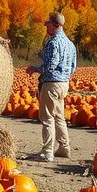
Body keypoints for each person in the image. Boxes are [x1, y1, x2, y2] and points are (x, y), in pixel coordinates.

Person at [26, 12, 77, 161]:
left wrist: (35, 69)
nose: (46, 28)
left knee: (47, 117)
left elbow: (51, 65)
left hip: (51, 84)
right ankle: (64, 148)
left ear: (55, 26)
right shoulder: (70, 44)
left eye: (48, 25)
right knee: (59, 117)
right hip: (64, 84)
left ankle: (47, 151)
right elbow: (73, 67)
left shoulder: (53, 42)